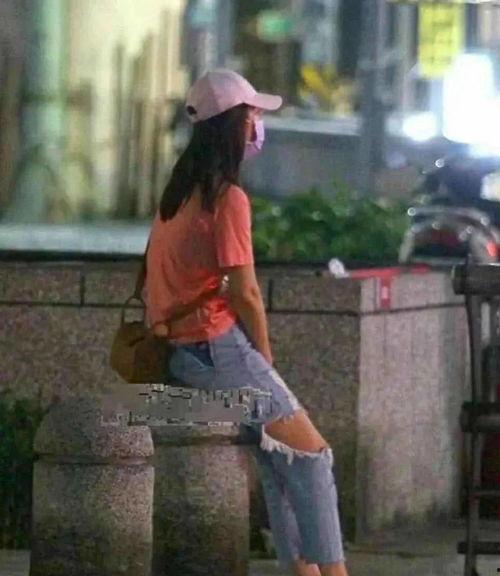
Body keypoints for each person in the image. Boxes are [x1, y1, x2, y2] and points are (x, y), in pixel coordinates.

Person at [144, 68, 349, 576]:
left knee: (280, 459)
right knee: (313, 456)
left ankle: (304, 572)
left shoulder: (178, 195)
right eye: (253, 114)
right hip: (217, 347)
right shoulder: (227, 198)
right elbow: (246, 292)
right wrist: (265, 359)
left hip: (181, 352)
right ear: (233, 125)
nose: (258, 123)